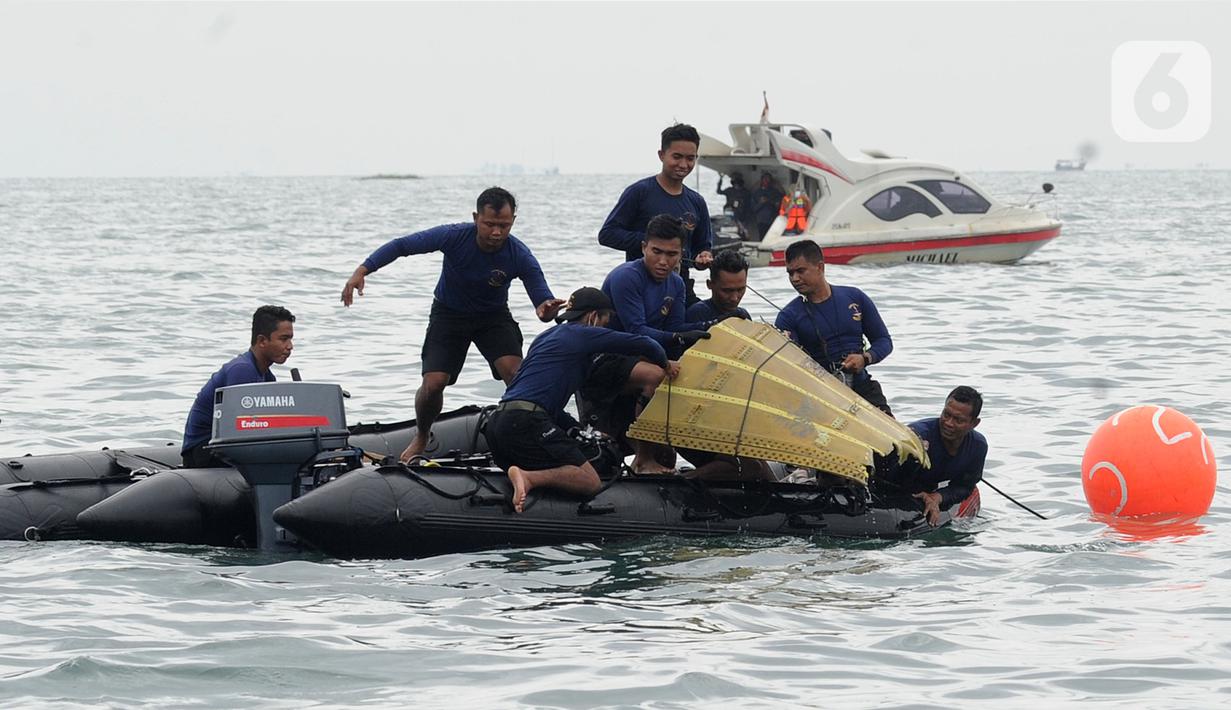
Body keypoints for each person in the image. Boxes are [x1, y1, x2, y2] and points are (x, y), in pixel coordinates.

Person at [339, 187, 566, 462]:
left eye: (503, 226)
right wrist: (362, 271)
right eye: (490, 224)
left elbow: (542, 304)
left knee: (515, 375)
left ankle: (526, 438)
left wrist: (546, 311)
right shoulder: (453, 236)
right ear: (475, 218)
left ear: (513, 222)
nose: (496, 232)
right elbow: (402, 246)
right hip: (449, 315)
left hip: (493, 317)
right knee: (434, 384)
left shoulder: (519, 255)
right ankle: (422, 435)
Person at [485, 287, 675, 513]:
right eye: (606, 322)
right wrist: (666, 364)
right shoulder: (583, 332)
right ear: (594, 317)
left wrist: (577, 429)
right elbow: (646, 344)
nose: (605, 328)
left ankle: (522, 478)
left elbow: (549, 408)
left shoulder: (544, 338)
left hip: (498, 423)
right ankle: (528, 478)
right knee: (590, 480)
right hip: (526, 421)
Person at [583, 214, 717, 472]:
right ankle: (642, 460)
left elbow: (675, 329)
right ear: (644, 247)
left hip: (643, 356)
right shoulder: (627, 276)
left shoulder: (677, 284)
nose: (664, 261)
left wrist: (710, 326)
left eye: (672, 254)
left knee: (667, 457)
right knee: (656, 375)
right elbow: (637, 332)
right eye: (656, 251)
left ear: (681, 254)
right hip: (605, 358)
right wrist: (677, 338)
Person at [774, 239, 895, 415]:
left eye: (801, 271)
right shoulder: (788, 317)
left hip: (863, 388)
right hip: (821, 397)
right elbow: (787, 367)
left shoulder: (854, 297)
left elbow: (884, 341)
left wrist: (865, 358)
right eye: (790, 273)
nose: (795, 279)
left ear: (820, 267)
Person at [598, 123, 714, 304]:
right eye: (677, 157)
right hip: (641, 288)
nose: (683, 164)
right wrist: (655, 244)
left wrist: (703, 257)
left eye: (690, 158)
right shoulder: (639, 192)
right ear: (661, 155)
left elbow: (702, 247)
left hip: (680, 289)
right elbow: (607, 235)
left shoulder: (696, 202)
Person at [181, 305, 296, 468]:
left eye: (291, 339)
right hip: (202, 450)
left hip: (220, 446)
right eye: (284, 339)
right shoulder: (242, 370)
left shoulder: (267, 376)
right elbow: (240, 428)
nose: (290, 346)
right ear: (262, 341)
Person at [897, 386, 987, 526]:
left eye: (958, 420)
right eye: (946, 414)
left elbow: (965, 486)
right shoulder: (918, 435)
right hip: (899, 489)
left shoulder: (977, 445)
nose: (948, 423)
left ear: (974, 423)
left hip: (931, 488)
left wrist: (938, 497)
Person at [685, 249, 751, 323]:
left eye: (740, 290)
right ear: (710, 284)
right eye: (727, 291)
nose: (734, 298)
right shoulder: (696, 314)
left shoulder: (743, 315)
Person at [752, 173, 785, 241]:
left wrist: (770, 201)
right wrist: (761, 203)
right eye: (765, 179)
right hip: (761, 220)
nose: (766, 181)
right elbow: (753, 208)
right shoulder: (756, 192)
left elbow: (780, 203)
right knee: (762, 238)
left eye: (768, 179)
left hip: (772, 220)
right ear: (761, 180)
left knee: (772, 239)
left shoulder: (775, 192)